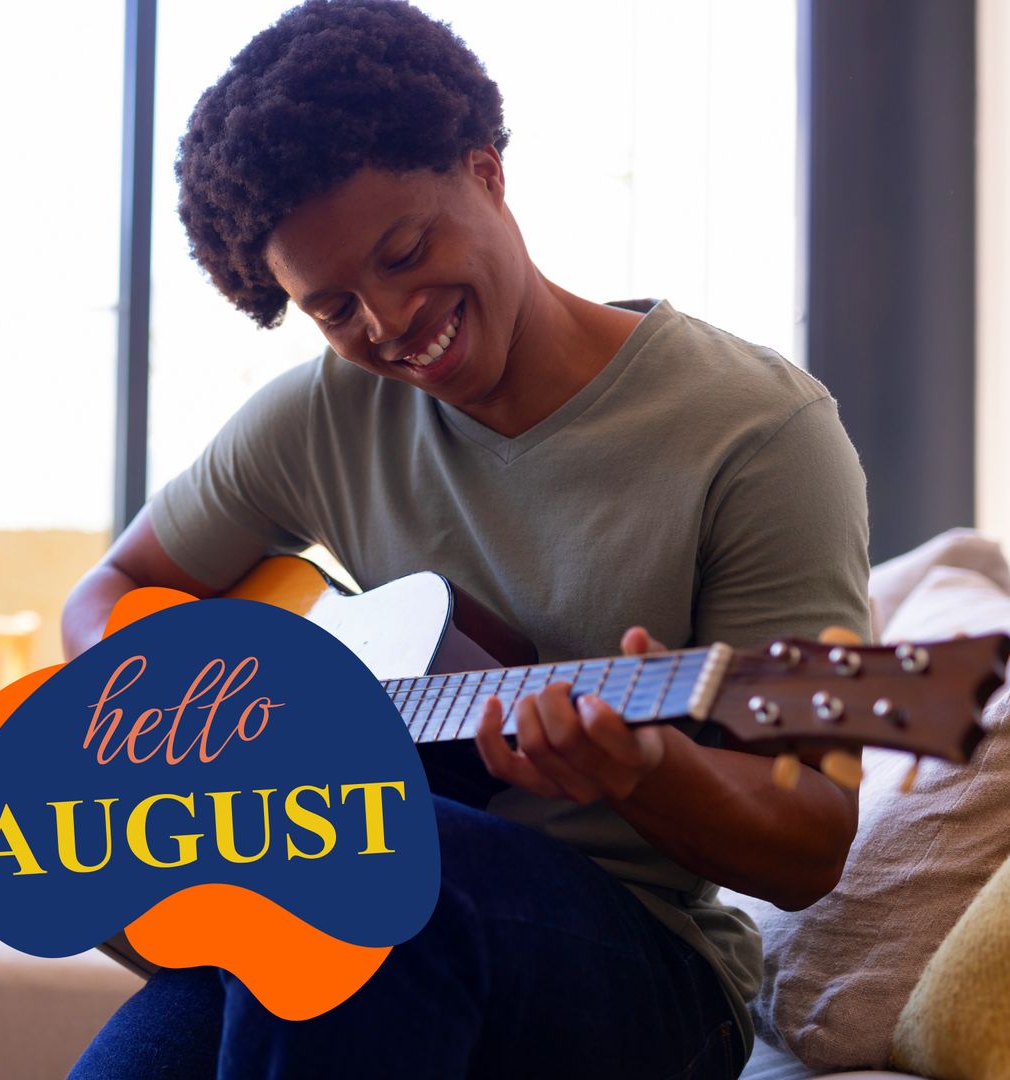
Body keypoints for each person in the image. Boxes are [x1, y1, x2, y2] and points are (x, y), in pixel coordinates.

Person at [64, 1, 870, 1076]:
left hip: (651, 971)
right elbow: (110, 588)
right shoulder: (321, 417)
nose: (390, 323)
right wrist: (197, 724)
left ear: (486, 171)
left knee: (384, 864)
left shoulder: (757, 431)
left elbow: (811, 838)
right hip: (333, 916)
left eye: (405, 251)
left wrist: (643, 772)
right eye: (335, 308)